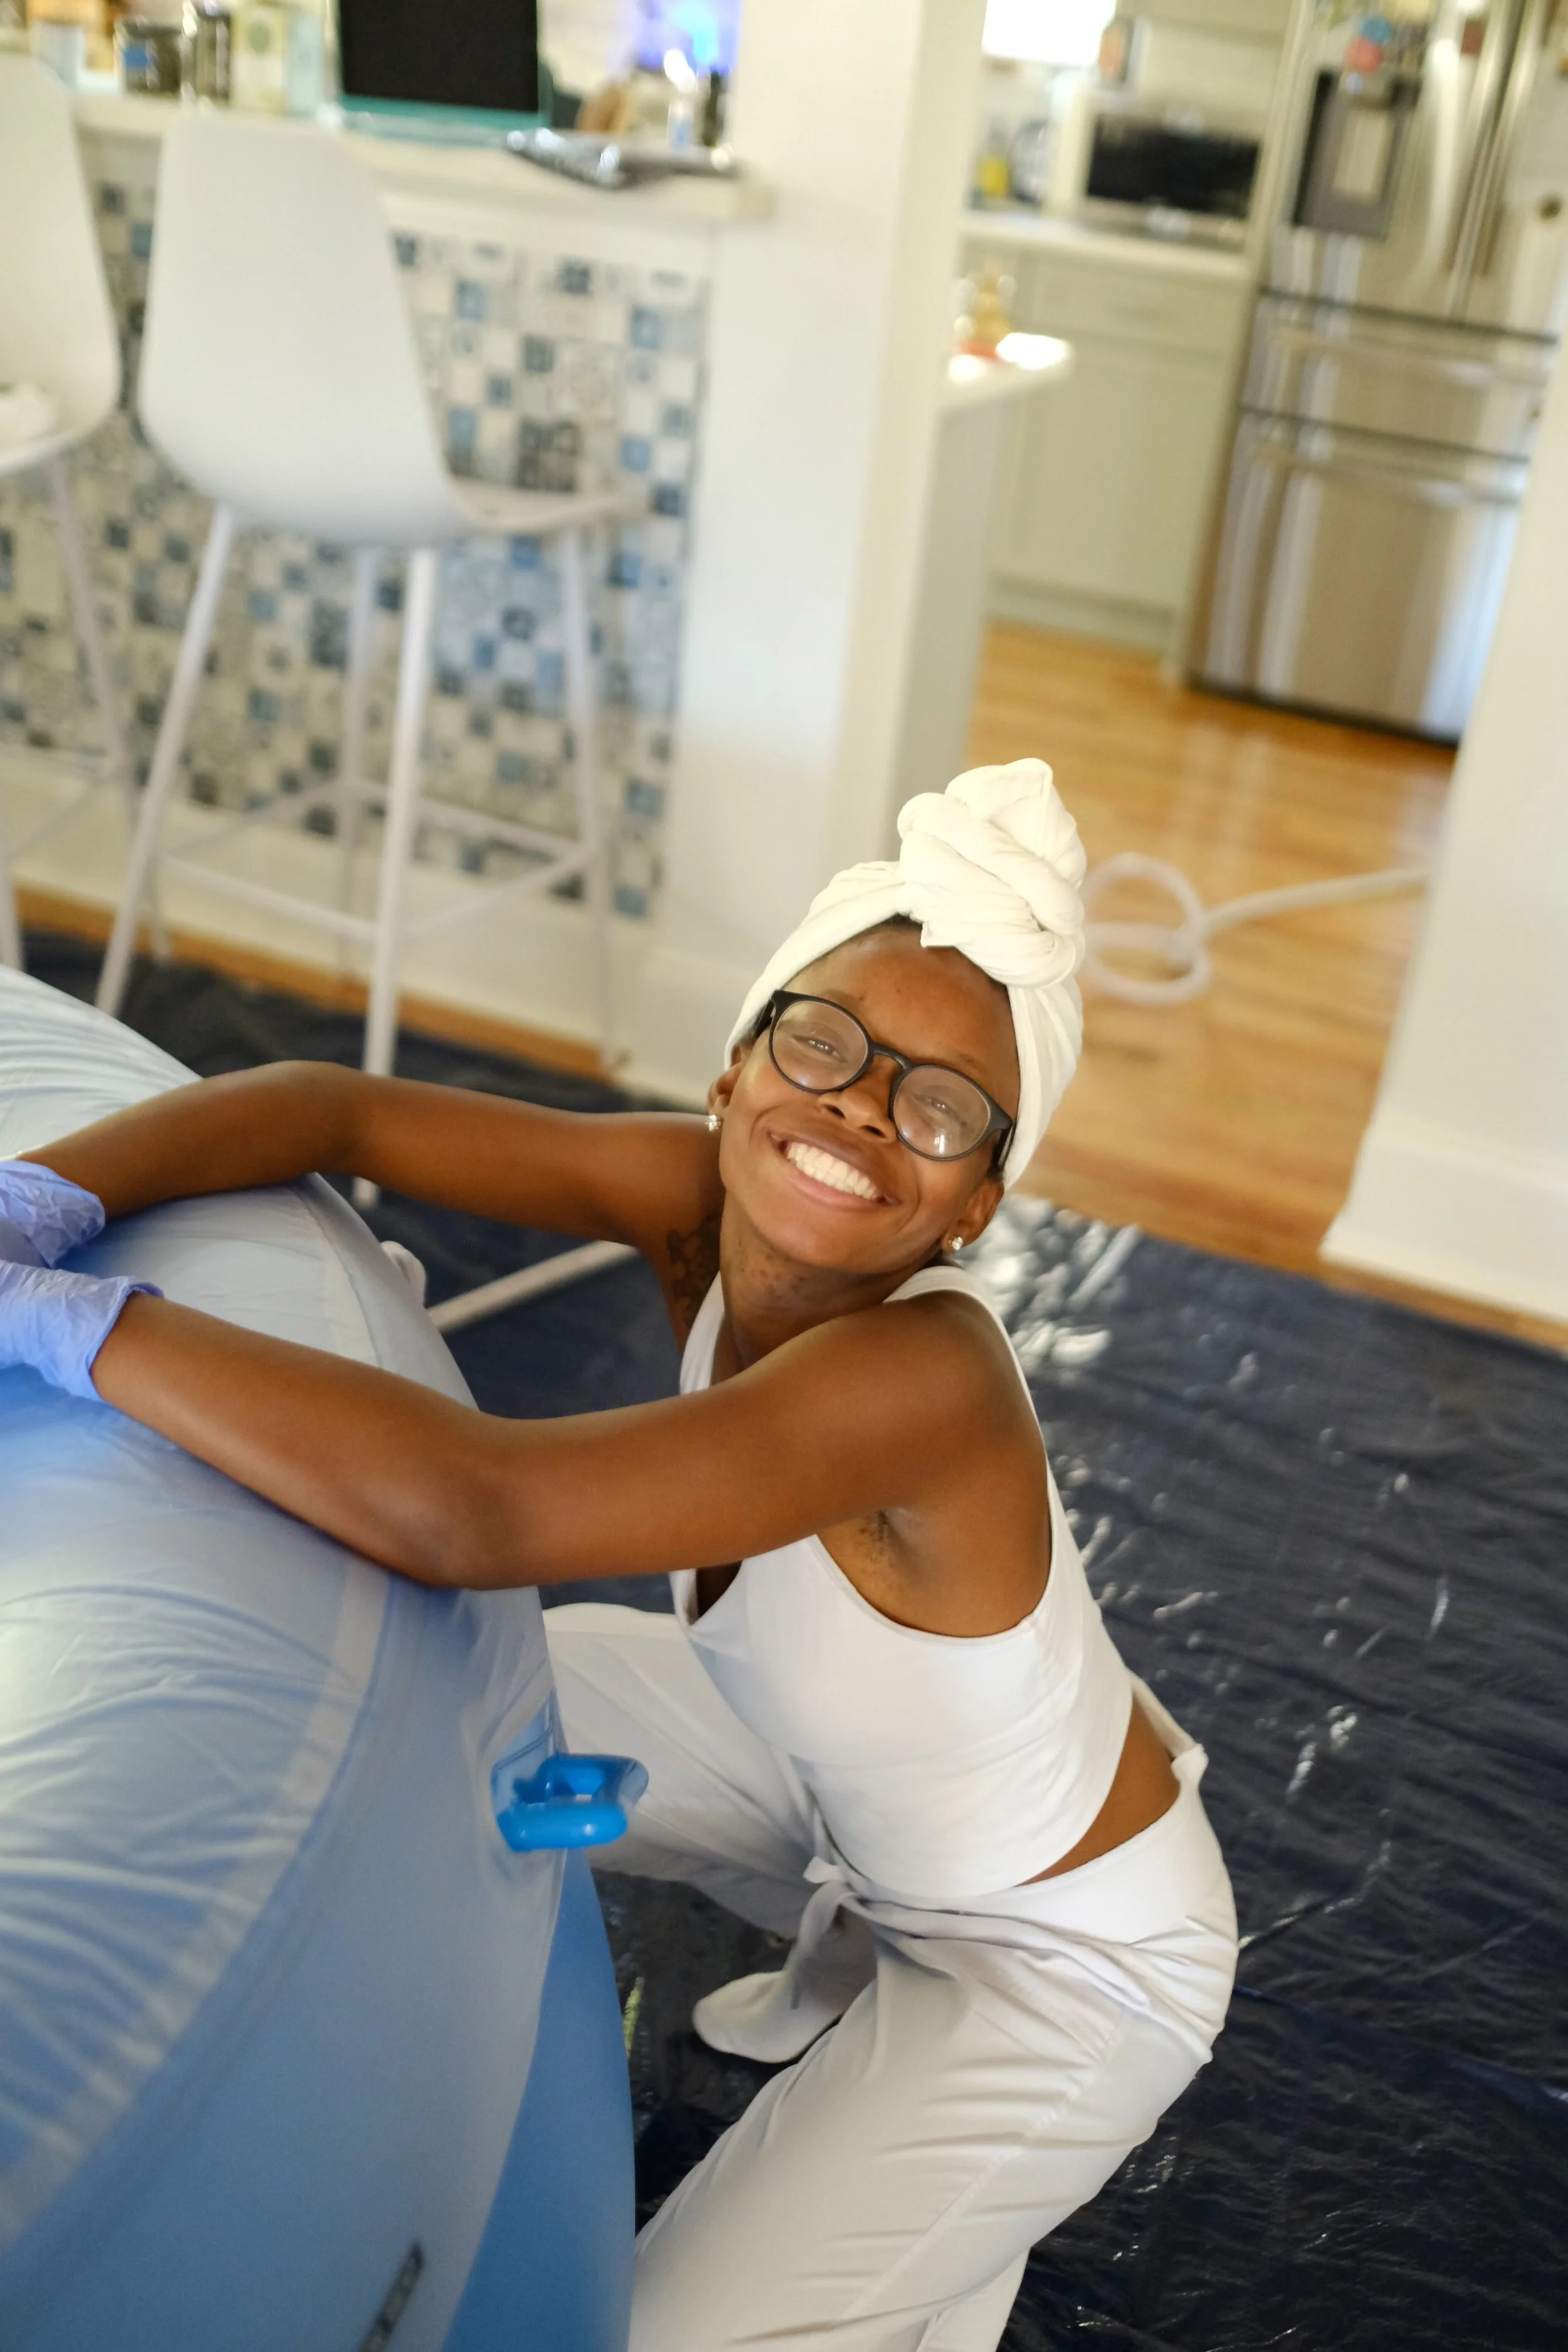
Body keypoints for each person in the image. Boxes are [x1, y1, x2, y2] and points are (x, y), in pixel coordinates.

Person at [0, 760, 1237, 2352]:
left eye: (935, 1106)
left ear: (975, 1206)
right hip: (834, 1777)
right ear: (736, 1065)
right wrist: (45, 1193)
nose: (861, 1107)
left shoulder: (924, 1383)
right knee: (484, 1689)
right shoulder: (697, 1203)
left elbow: (477, 1513)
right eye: (825, 1042)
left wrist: (75, 1325)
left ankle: (936, 2190)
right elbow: (341, 1107)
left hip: (1056, 1955)